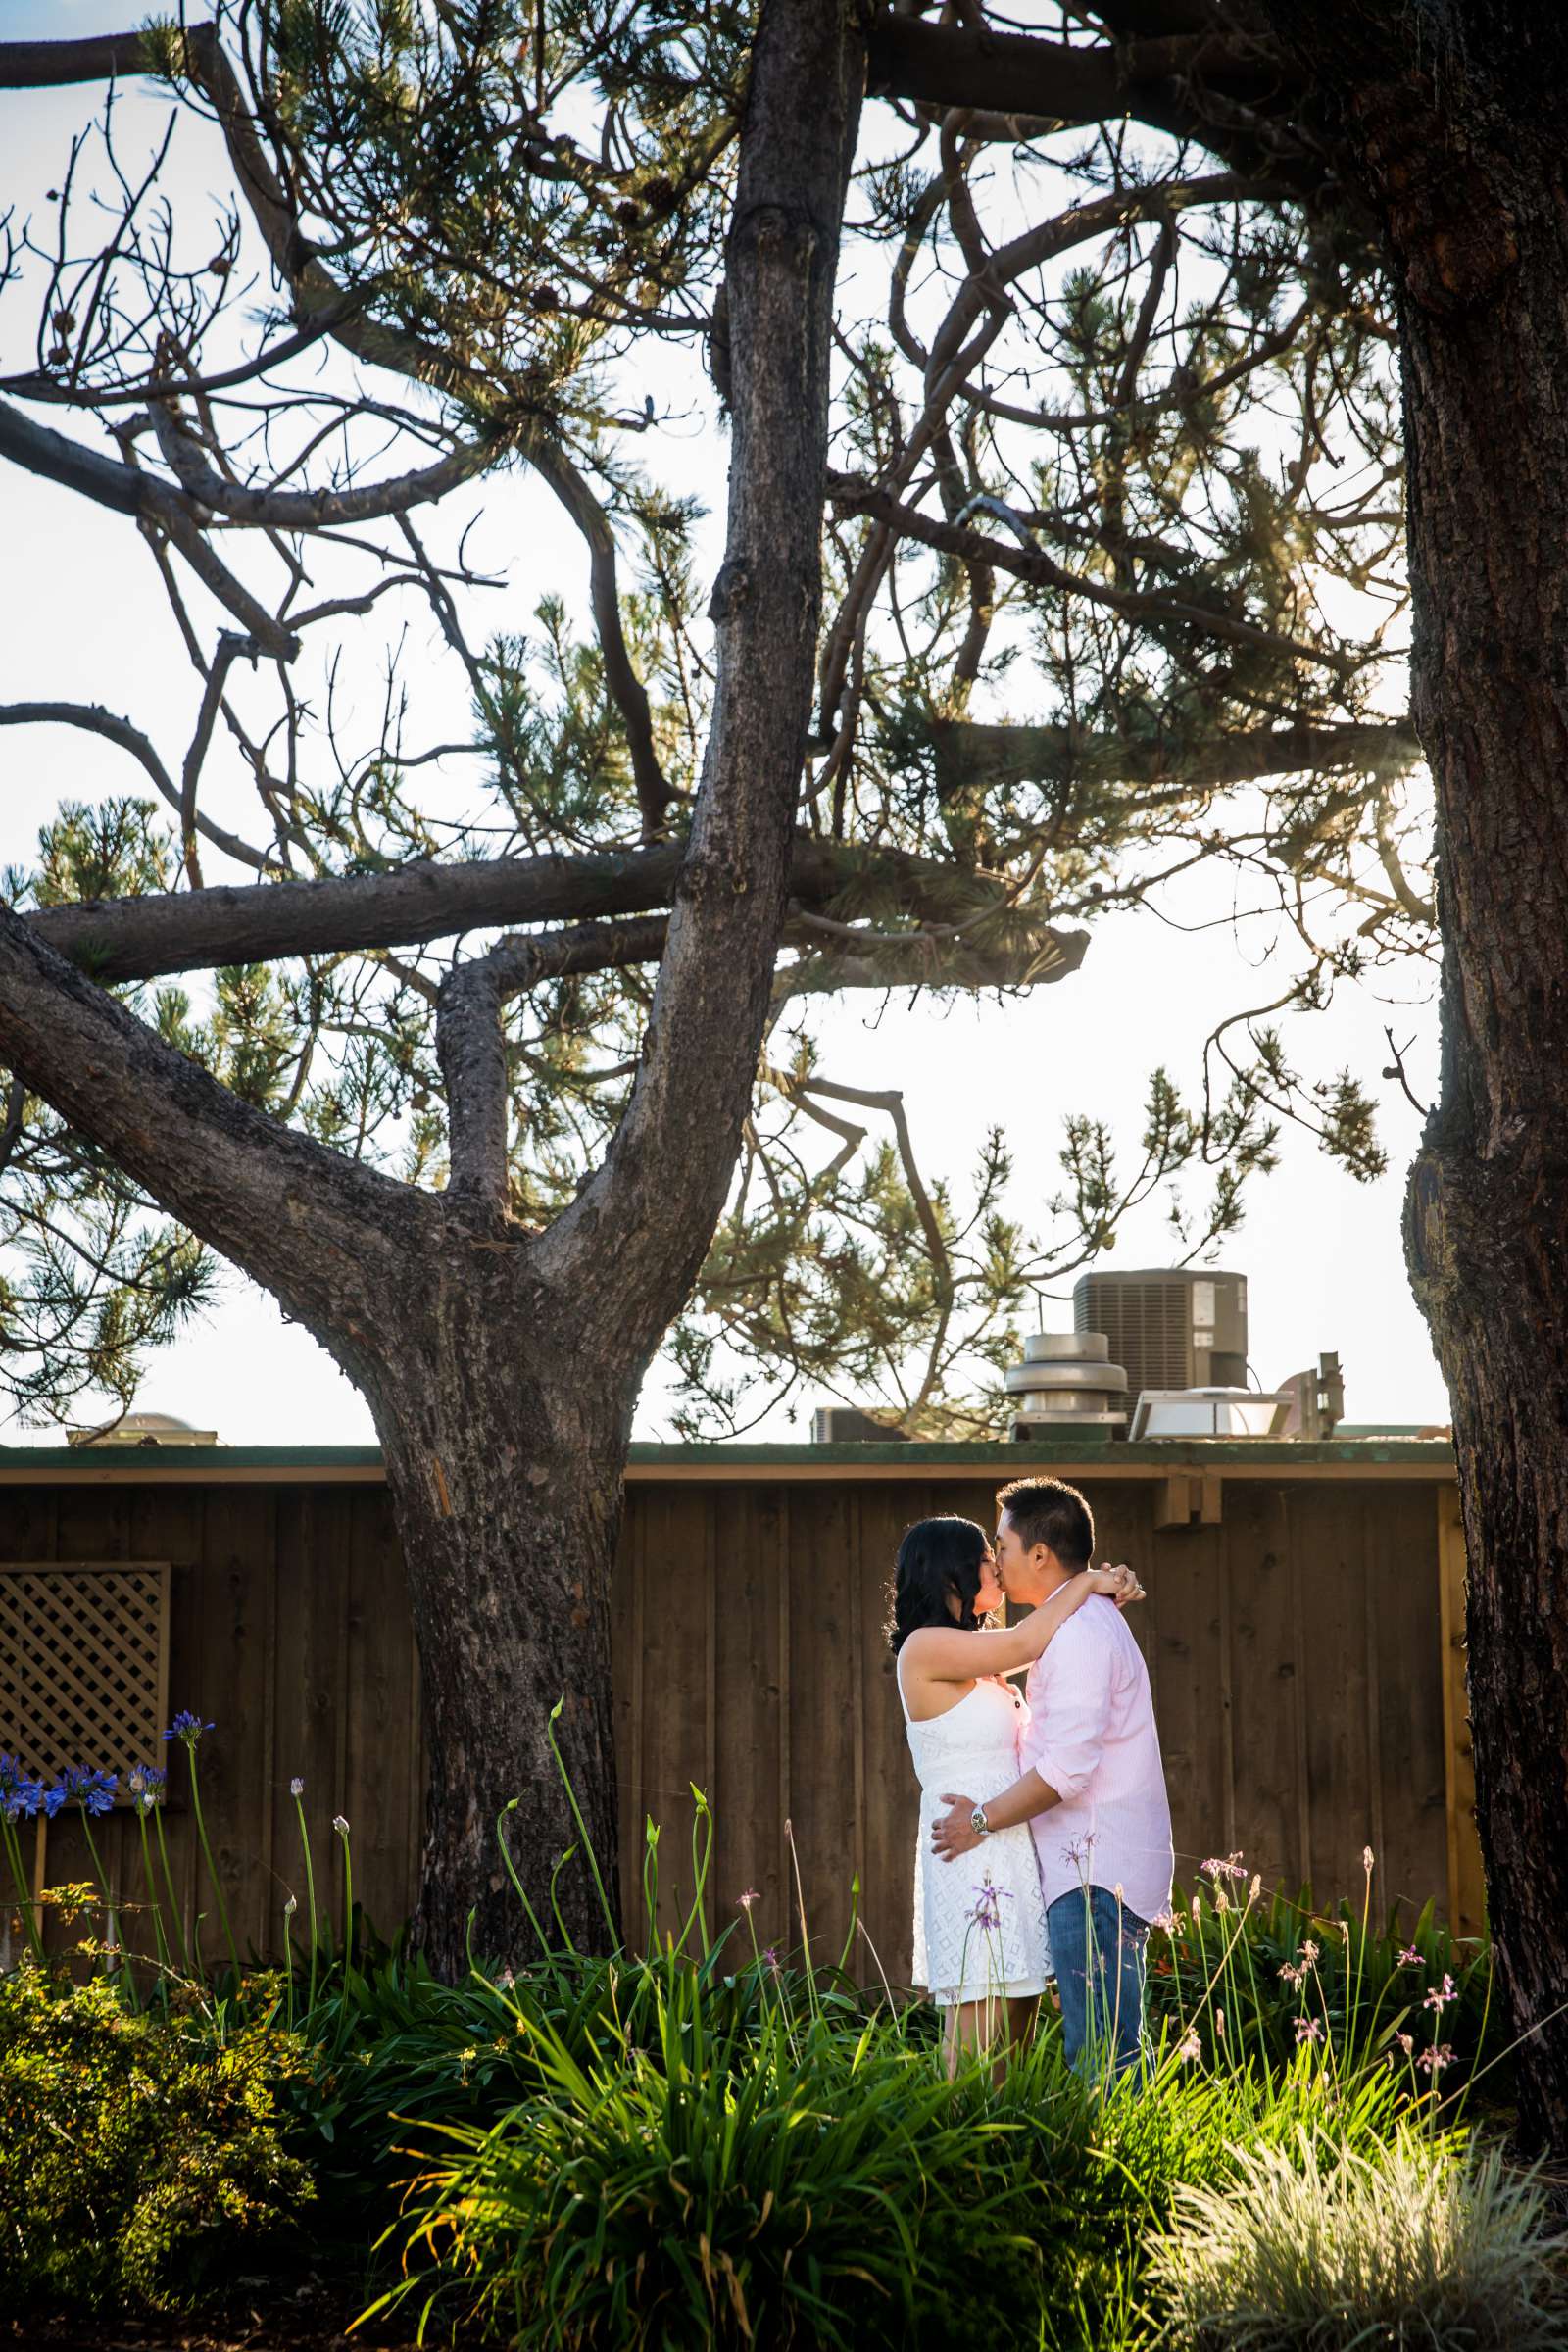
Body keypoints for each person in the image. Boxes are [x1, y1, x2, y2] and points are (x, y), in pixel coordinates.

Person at [931, 1476, 1173, 2081]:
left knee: (1100, 2059)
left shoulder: (1083, 1633)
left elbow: (1065, 1770)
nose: (998, 1562)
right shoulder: (1072, 1624)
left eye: (1003, 1547)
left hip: (1095, 1875)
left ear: (1039, 1554)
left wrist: (979, 1820)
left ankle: (1116, 2168)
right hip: (1082, 1871)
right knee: (1100, 2048)